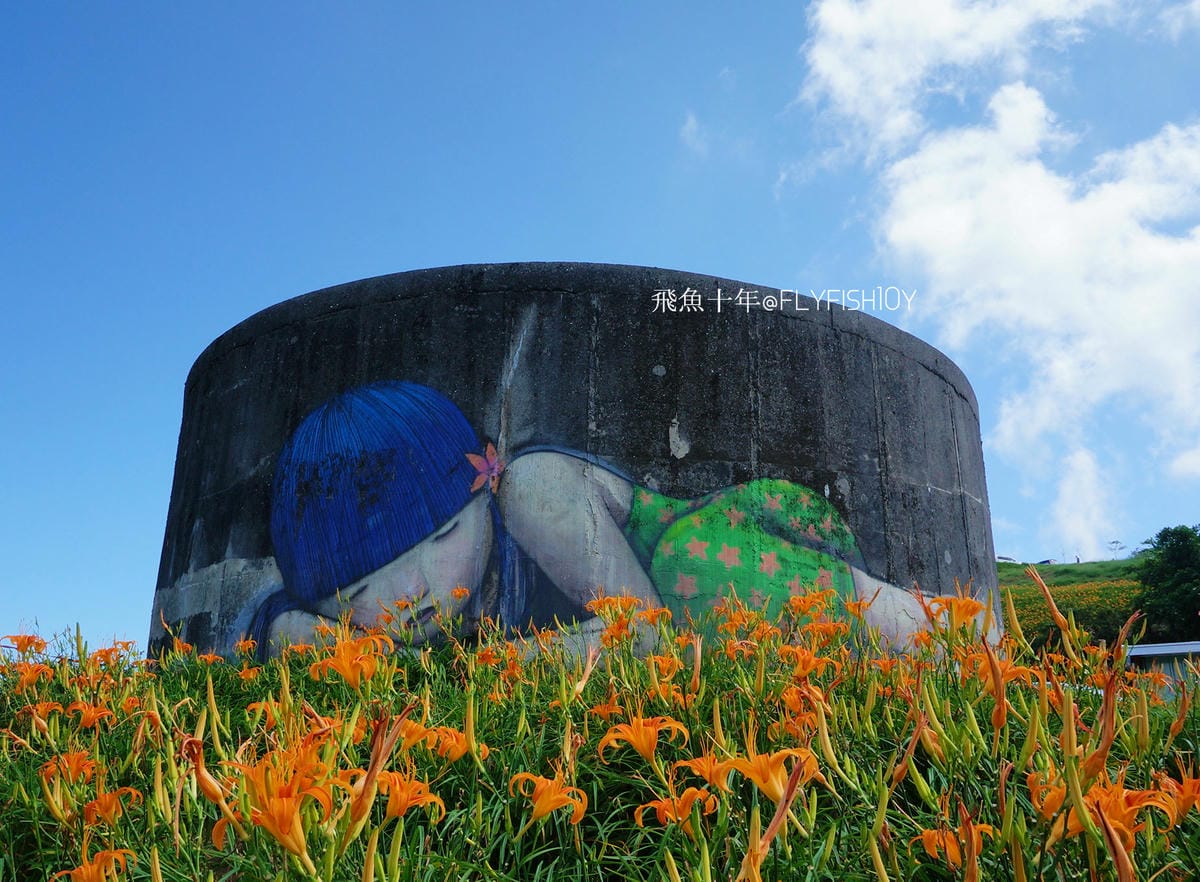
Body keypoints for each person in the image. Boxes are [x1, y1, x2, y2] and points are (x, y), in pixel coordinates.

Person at [249, 381, 929, 657]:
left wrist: (457, 677)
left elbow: (646, 638)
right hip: (724, 647)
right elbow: (282, 627)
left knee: (698, 575)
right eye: (363, 592)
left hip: (735, 552)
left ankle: (945, 630)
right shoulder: (334, 612)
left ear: (483, 490)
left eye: (442, 537)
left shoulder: (530, 490)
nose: (413, 592)